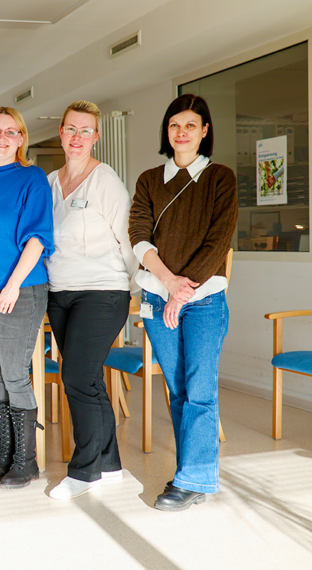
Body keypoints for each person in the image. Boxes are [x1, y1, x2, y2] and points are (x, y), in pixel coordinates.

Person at [128, 94, 238, 511]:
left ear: (205, 130)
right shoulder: (149, 180)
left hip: (204, 300)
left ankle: (192, 479)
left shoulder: (220, 178)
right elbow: (139, 235)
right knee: (178, 390)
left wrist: (184, 290)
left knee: (200, 389)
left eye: (191, 125)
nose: (182, 132)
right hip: (158, 296)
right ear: (167, 131)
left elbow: (219, 240)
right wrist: (169, 283)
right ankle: (190, 474)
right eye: (175, 125)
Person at [45, 100, 138, 501]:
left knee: (76, 377)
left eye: (86, 130)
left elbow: (129, 240)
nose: (77, 137)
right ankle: (109, 463)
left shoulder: (105, 181)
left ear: (96, 137)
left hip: (102, 291)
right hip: (59, 292)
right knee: (89, 378)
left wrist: (134, 291)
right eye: (71, 129)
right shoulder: (51, 181)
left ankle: (84, 472)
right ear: (61, 133)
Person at [0, 107, 53, 489]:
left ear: (21, 138)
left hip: (21, 288)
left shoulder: (32, 178)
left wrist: (13, 284)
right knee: (1, 373)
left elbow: (38, 237)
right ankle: (6, 454)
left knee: (16, 374)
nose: (1, 138)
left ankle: (27, 460)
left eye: (10, 132)